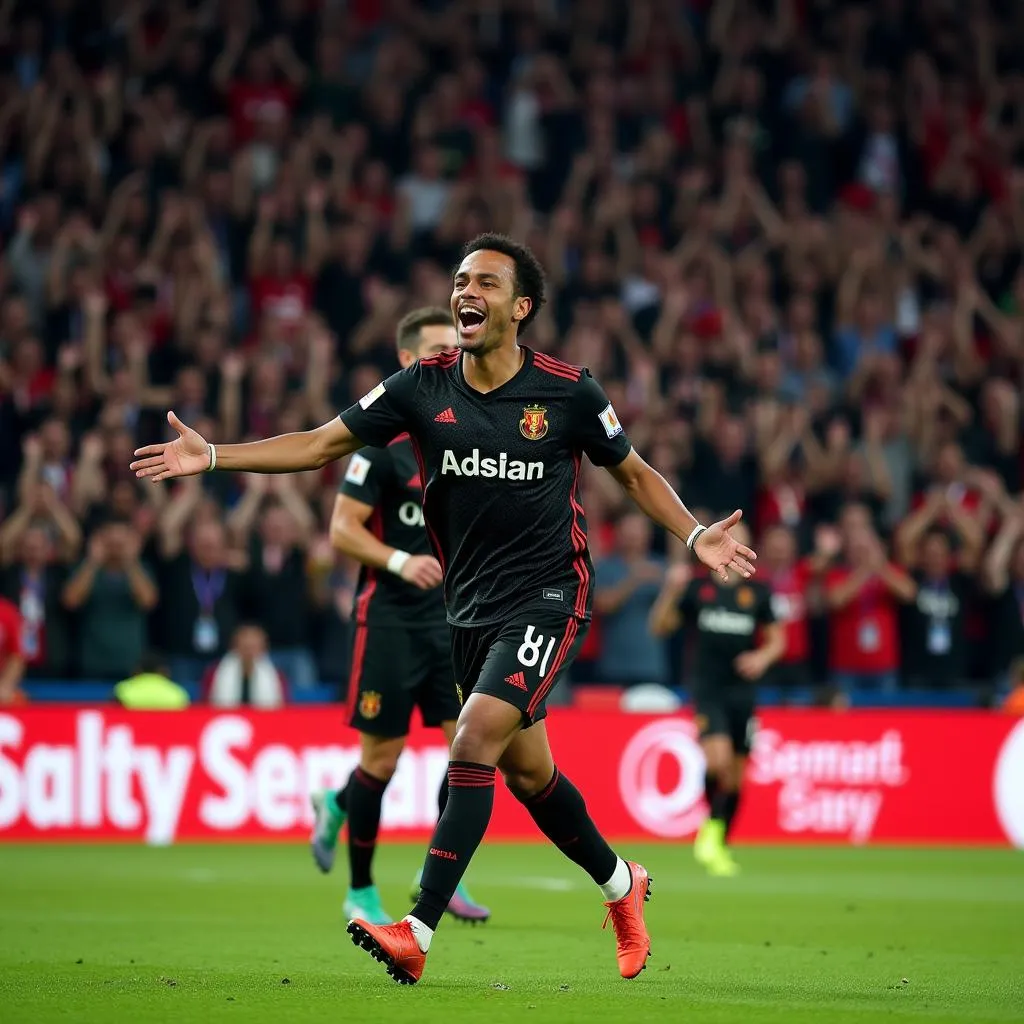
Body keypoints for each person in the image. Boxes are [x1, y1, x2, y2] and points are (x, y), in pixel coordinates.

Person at [131, 233, 756, 986]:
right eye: (462, 279)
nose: (469, 290)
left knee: (471, 740)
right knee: (530, 777)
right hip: (469, 611)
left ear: (520, 307)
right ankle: (624, 885)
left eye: (487, 282)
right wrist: (215, 456)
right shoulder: (421, 387)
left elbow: (632, 474)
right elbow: (320, 443)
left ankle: (416, 929)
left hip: (551, 594)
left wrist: (693, 534)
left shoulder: (569, 392)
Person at [308, 306, 490, 925]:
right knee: (380, 764)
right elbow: (341, 530)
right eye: (437, 351)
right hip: (390, 619)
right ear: (409, 362)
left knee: (469, 752)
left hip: (456, 624)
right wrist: (396, 561)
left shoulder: (470, 440)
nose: (451, 360)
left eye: (455, 349)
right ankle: (360, 887)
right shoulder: (379, 448)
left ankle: (437, 872)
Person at [649, 520, 784, 877]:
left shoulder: (759, 594)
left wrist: (762, 657)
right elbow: (660, 628)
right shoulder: (697, 588)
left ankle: (717, 839)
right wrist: (670, 591)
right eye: (730, 538)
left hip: (743, 692)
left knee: (737, 778)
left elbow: (777, 640)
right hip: (708, 689)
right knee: (718, 763)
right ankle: (711, 833)